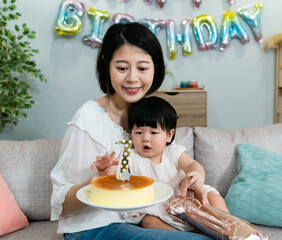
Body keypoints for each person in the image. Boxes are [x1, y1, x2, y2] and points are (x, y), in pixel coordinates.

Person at [50, 22, 212, 240]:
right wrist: (95, 182)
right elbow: (61, 206)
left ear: (155, 67)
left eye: (143, 68)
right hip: (93, 227)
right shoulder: (89, 117)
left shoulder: (150, 116)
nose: (133, 78)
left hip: (139, 222)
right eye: (122, 68)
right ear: (107, 66)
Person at [92, 96, 229, 232]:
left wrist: (196, 174)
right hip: (158, 207)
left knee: (215, 198)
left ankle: (231, 229)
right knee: (149, 221)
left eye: (153, 132)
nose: (145, 138)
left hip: (185, 197)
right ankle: (191, 234)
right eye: (138, 132)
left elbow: (191, 165)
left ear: (169, 135)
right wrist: (106, 168)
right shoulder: (129, 155)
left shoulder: (172, 152)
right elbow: (119, 175)